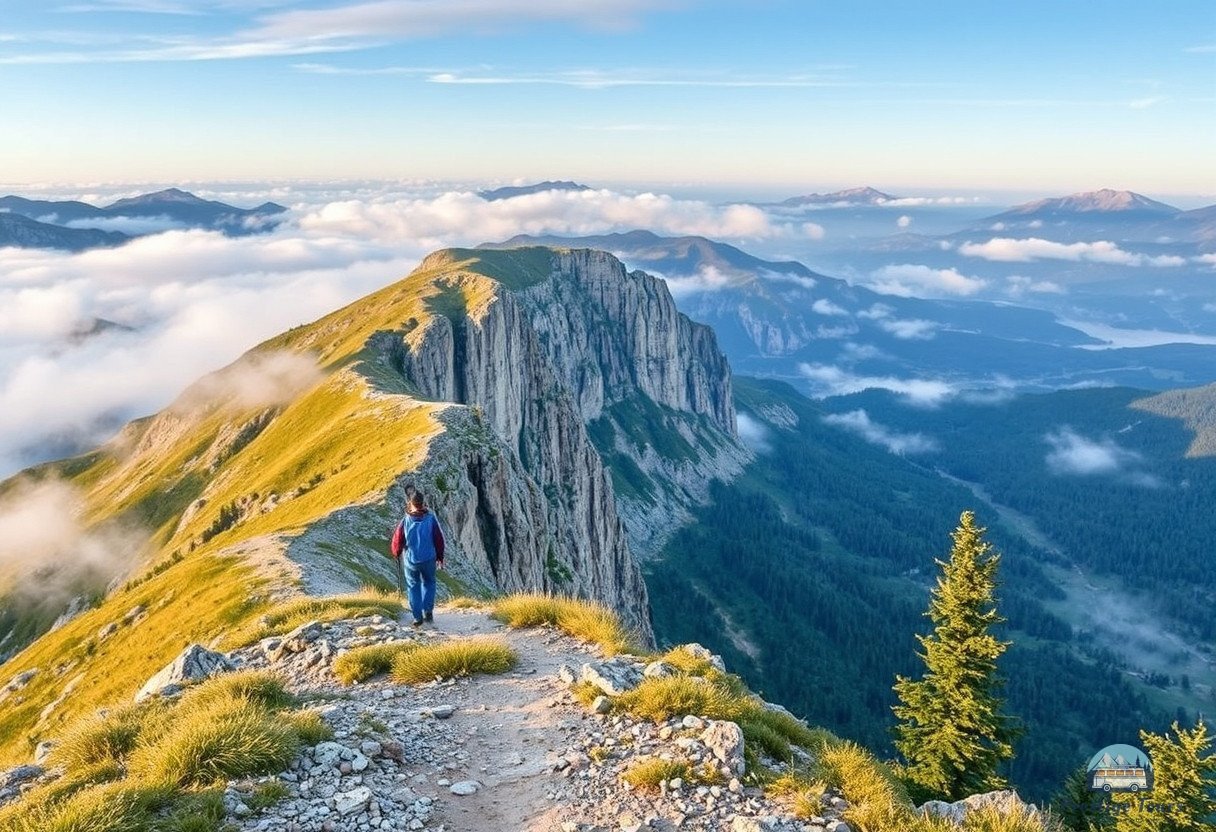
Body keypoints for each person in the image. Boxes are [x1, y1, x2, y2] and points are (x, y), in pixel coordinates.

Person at [390, 491, 446, 626]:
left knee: (413, 585)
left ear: (411, 504)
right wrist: (440, 557)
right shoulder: (431, 519)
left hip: (411, 560)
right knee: (429, 583)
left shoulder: (406, 520)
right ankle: (428, 612)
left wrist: (396, 553)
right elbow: (439, 539)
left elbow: (397, 540)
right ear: (423, 503)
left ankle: (417, 617)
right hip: (428, 558)